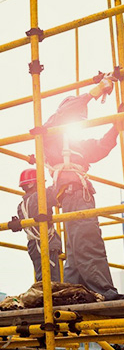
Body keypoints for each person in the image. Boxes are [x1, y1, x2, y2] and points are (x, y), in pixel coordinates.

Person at [42, 76, 124, 300]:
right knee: (87, 238)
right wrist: (96, 91)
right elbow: (66, 111)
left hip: (77, 193)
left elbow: (100, 147)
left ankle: (74, 291)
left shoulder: (73, 145)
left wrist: (116, 127)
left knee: (76, 246)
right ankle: (104, 290)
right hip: (73, 193)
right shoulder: (51, 134)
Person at [15, 168, 62, 282]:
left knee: (42, 277)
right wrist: (59, 172)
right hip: (46, 242)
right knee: (52, 280)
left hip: (33, 246)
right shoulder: (39, 197)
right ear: (35, 184)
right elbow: (56, 190)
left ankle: (45, 298)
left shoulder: (20, 206)